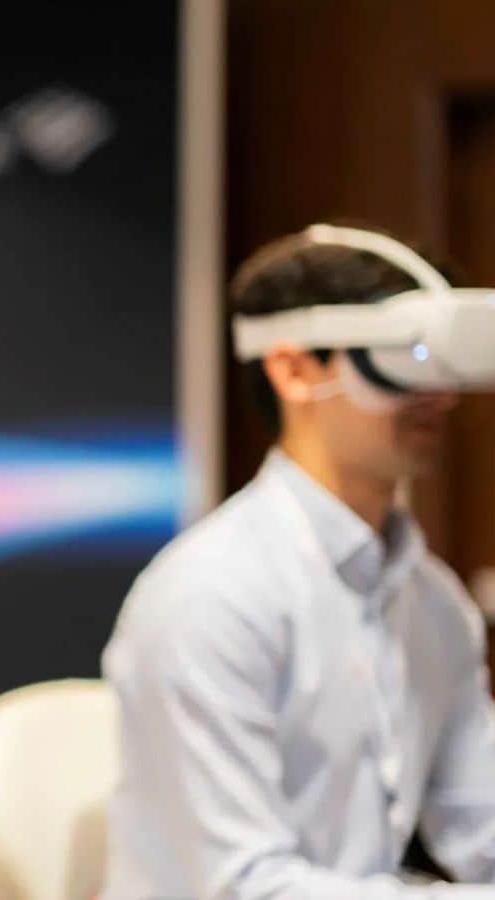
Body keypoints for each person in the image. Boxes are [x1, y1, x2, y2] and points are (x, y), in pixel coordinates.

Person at [103, 225, 495, 898]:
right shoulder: (211, 596)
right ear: (292, 369)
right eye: (407, 357)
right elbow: (245, 887)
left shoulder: (434, 603)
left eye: (445, 367)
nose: (440, 396)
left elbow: (480, 819)